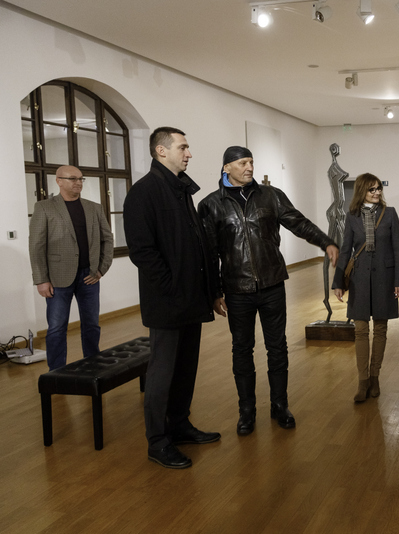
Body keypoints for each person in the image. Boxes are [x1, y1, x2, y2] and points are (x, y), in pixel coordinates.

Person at [198, 146, 338, 434]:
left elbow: (298, 223)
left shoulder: (271, 196)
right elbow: (209, 254)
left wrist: (325, 242)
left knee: (277, 347)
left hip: (272, 283)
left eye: (251, 162)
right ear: (226, 168)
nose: (249, 167)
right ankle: (246, 411)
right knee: (242, 349)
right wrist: (214, 292)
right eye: (242, 163)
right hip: (237, 289)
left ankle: (279, 405)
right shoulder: (211, 204)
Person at [123, 127, 220, 469]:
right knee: (162, 373)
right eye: (183, 147)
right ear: (161, 151)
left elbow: (197, 244)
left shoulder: (180, 190)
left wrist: (210, 290)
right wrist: (171, 287)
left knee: (185, 369)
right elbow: (142, 251)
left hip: (191, 298)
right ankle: (158, 442)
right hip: (167, 301)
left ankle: (179, 425)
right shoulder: (143, 192)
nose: (189, 153)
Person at [29, 165, 113, 371]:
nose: (78, 182)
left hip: (89, 276)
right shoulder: (44, 207)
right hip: (57, 278)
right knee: (57, 328)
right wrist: (41, 279)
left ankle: (93, 366)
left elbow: (107, 240)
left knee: (91, 324)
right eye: (73, 178)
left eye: (81, 179)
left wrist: (101, 269)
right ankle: (57, 373)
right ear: (59, 181)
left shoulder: (94, 208)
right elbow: (37, 246)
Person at [332, 173, 399, 402]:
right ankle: (362, 381)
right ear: (362, 191)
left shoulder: (390, 213)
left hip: (385, 276)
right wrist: (338, 282)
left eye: (378, 188)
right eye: (372, 189)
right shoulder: (352, 216)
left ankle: (375, 377)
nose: (377, 192)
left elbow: (397, 249)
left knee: (380, 329)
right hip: (359, 278)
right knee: (361, 330)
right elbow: (346, 249)